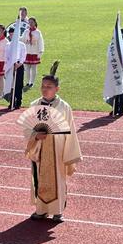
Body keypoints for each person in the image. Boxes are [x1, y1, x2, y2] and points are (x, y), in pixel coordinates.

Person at [25, 74, 82, 222]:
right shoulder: (34, 105)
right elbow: (27, 128)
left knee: (58, 179)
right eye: (43, 86)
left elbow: (70, 130)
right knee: (40, 178)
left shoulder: (64, 107)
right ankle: (41, 210)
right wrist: (36, 136)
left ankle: (58, 211)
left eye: (49, 87)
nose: (45, 89)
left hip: (58, 150)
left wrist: (69, 154)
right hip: (40, 149)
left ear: (57, 89)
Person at [5, 26, 27, 110]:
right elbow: (6, 56)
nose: (11, 36)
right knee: (11, 85)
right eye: (10, 35)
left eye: (13, 35)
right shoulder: (8, 45)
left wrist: (19, 64)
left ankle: (18, 102)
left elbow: (23, 55)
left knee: (18, 85)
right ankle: (11, 102)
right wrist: (11, 65)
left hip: (19, 66)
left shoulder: (22, 45)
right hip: (11, 66)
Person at [21, 17, 44, 89]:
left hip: (34, 52)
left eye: (32, 22)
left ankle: (32, 82)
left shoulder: (38, 32)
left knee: (34, 68)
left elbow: (40, 42)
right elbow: (22, 40)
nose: (30, 24)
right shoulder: (26, 31)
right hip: (27, 52)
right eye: (29, 22)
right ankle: (27, 81)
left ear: (35, 23)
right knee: (27, 68)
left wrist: (40, 51)